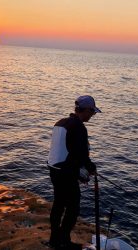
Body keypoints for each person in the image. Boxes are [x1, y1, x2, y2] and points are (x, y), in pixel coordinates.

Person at [47, 95, 101, 249]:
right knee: (73, 207)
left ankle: (54, 240)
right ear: (86, 110)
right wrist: (91, 168)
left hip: (53, 169)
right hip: (65, 173)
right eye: (92, 112)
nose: (92, 115)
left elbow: (63, 149)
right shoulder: (79, 127)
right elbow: (80, 154)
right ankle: (64, 241)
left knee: (58, 204)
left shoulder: (60, 123)